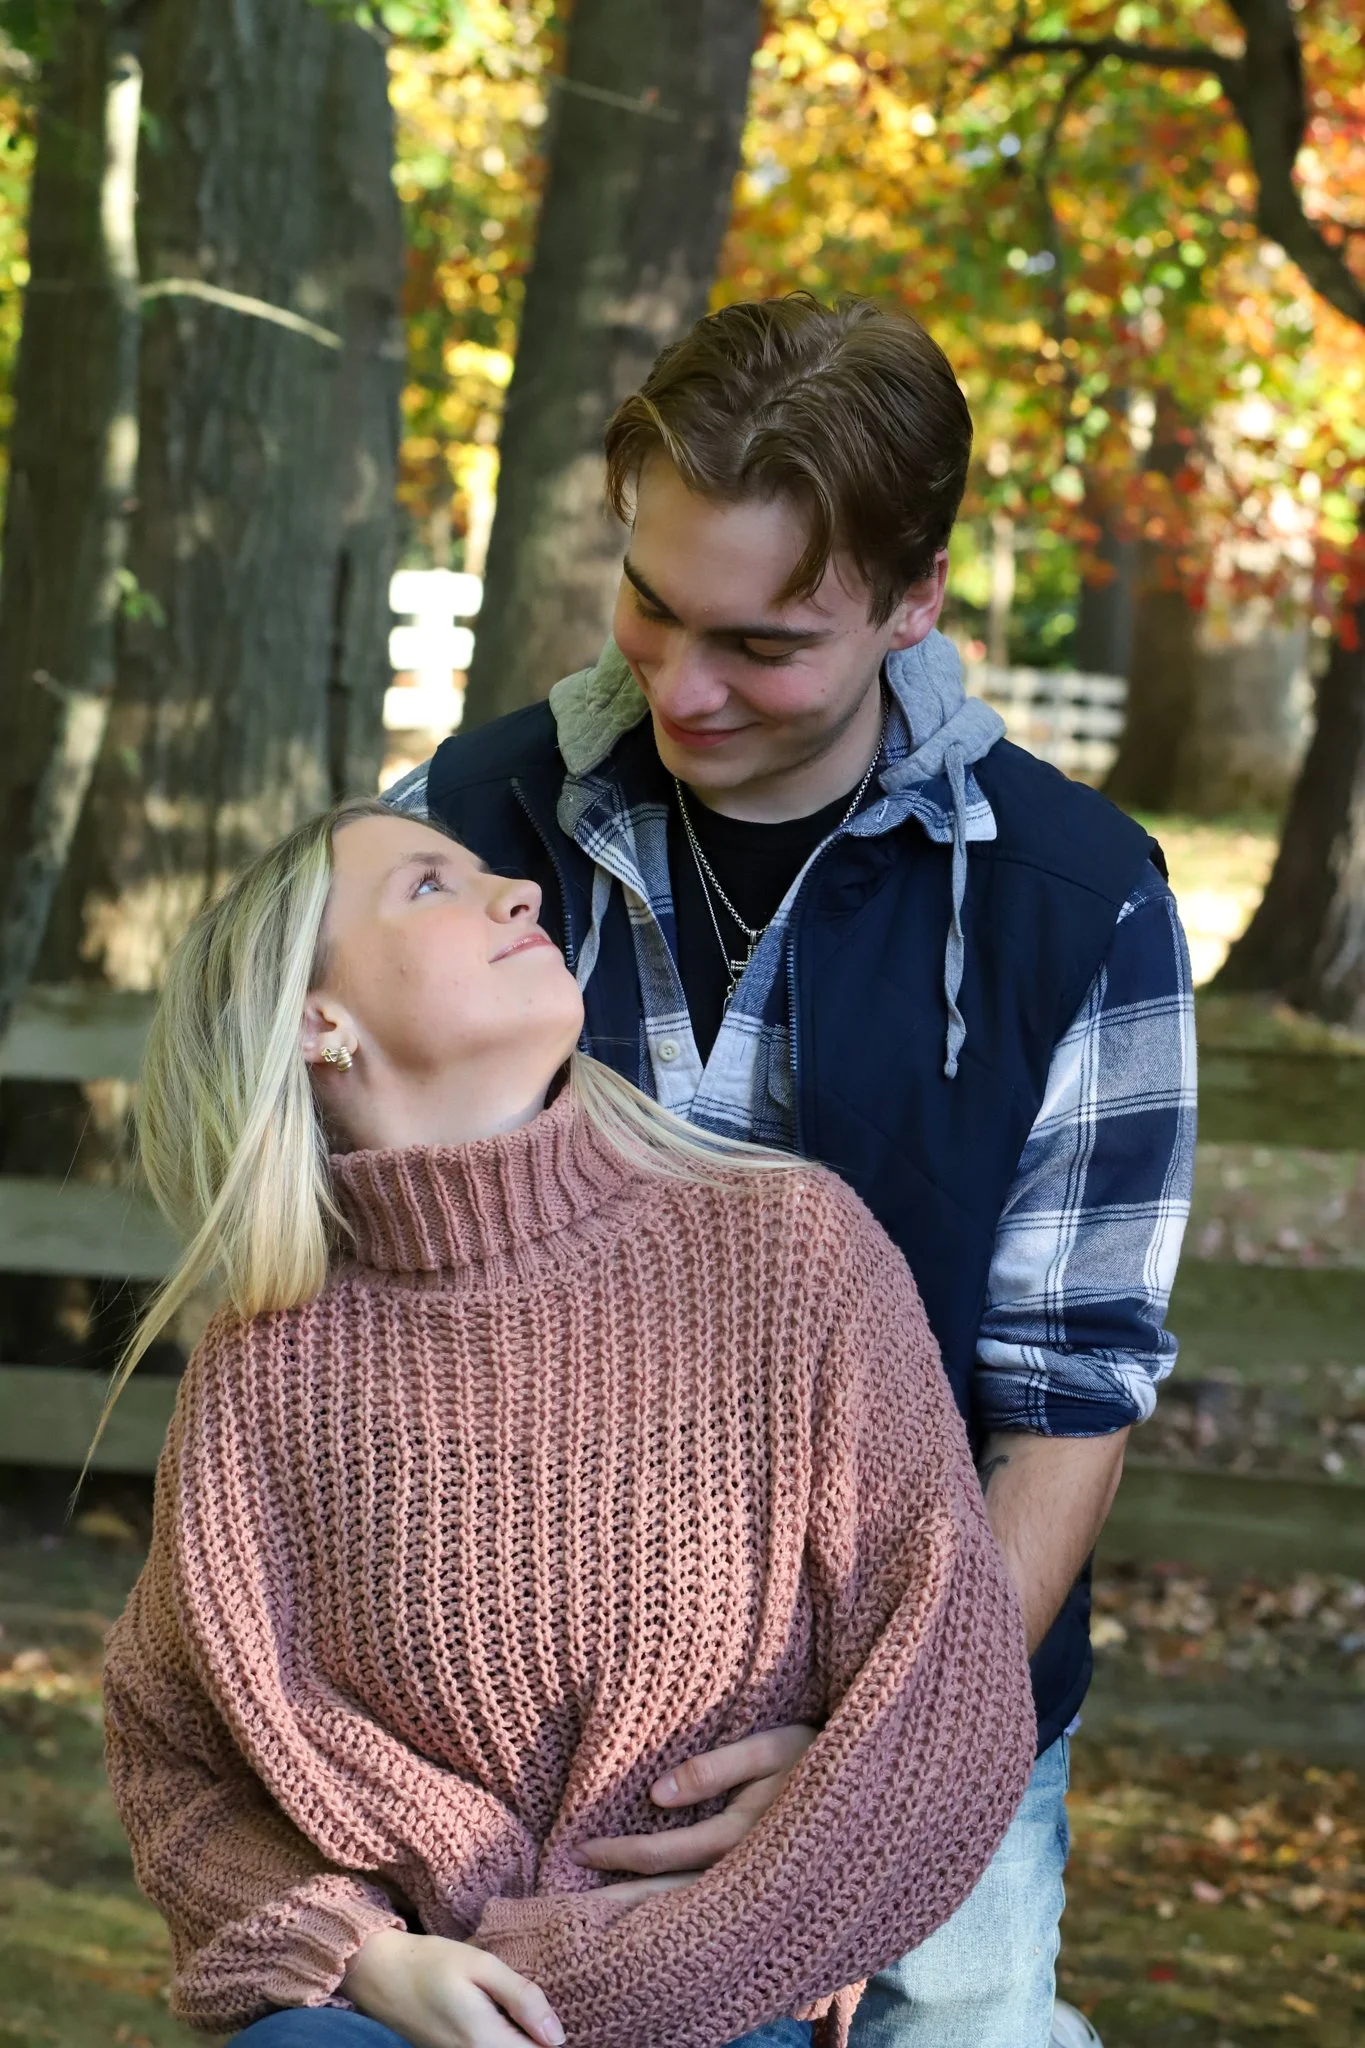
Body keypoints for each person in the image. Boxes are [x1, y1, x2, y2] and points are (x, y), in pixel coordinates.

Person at [386, 292, 1198, 2048]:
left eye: (762, 644)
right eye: (654, 605)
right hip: (522, 1709)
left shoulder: (1081, 902)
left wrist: (870, 1764)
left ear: (913, 603)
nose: (683, 686)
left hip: (929, 1702)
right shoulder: (464, 822)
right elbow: (331, 1245)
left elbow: (1066, 1404)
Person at [100, 798, 1036, 2047]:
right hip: (404, 2011)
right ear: (320, 1019)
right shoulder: (265, 1365)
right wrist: (356, 1950)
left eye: (494, 874)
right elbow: (171, 1751)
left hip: (720, 1983)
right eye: (430, 886)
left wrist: (599, 1981)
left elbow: (950, 1702)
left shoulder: (789, 1252)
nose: (520, 893)